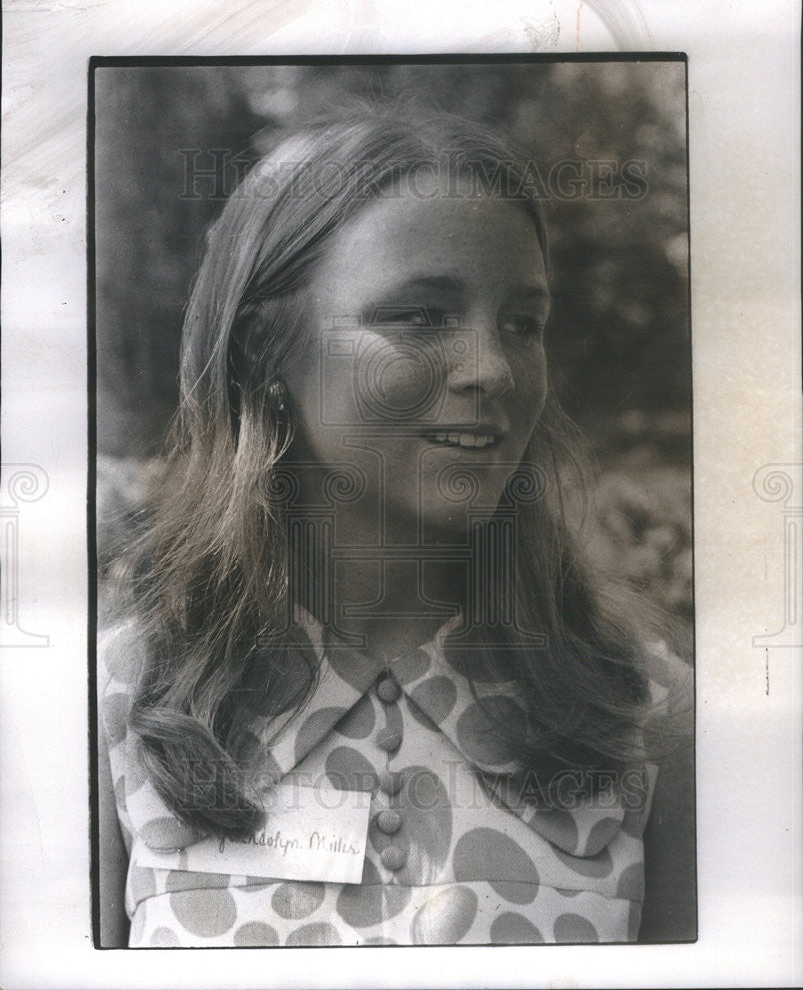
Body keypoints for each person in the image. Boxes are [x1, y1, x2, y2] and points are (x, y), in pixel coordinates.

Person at [97, 101, 694, 947]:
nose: (492, 367)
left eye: (523, 324)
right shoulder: (121, 704)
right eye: (417, 315)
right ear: (266, 348)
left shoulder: (647, 712)